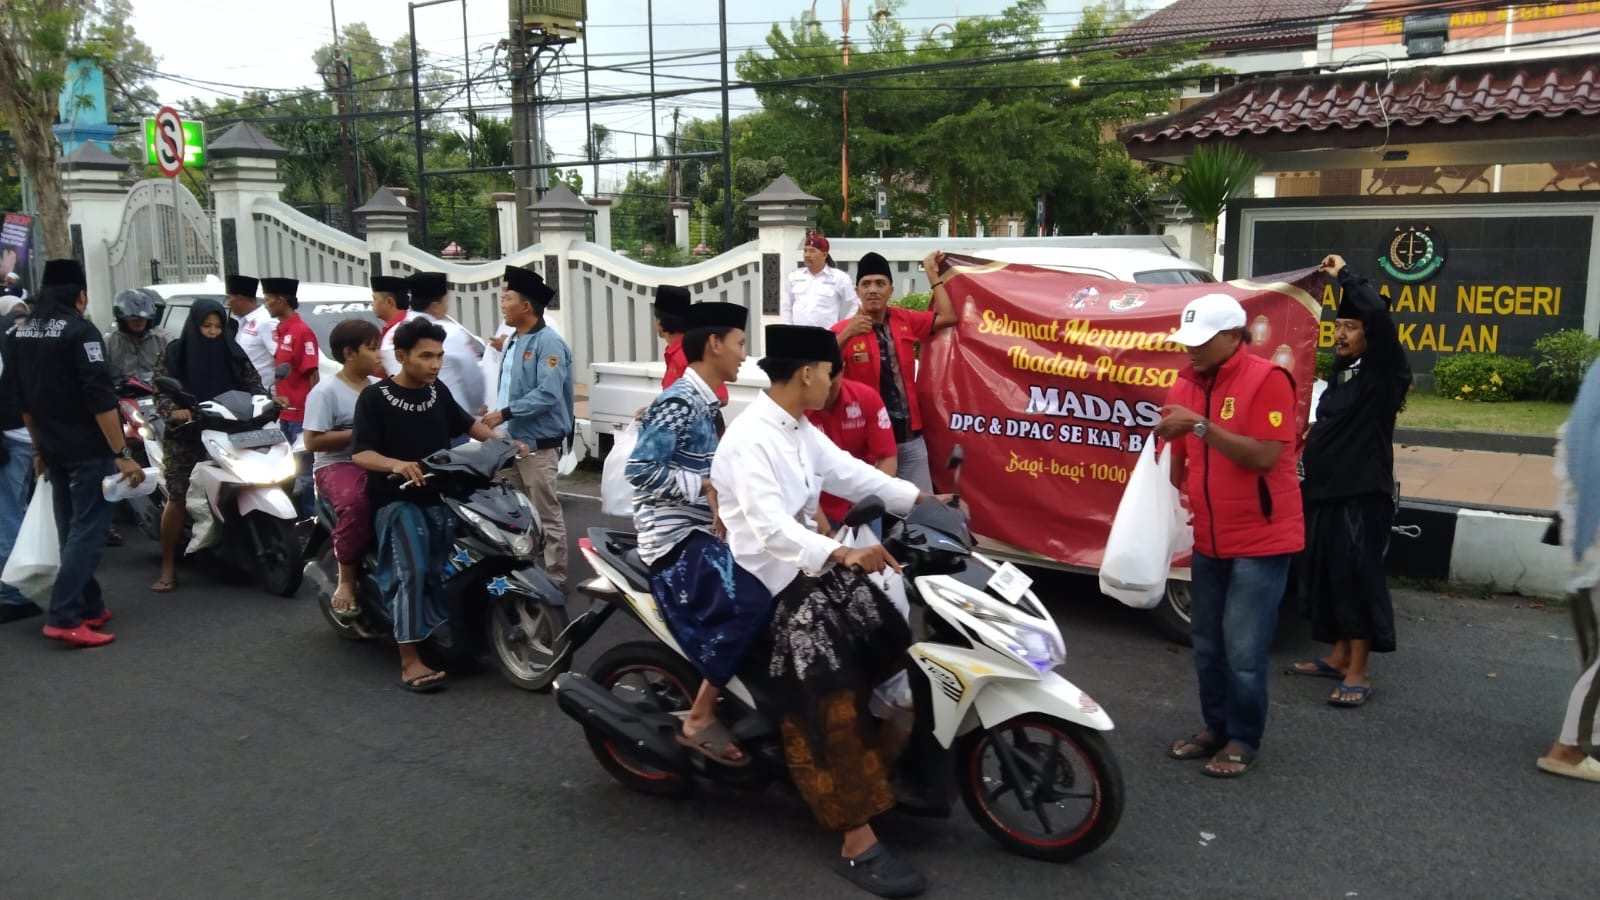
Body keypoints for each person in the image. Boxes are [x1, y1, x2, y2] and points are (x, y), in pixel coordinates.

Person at [713, 324, 946, 898]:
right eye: (831, 369)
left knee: (894, 648)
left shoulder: (799, 428)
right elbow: (769, 529)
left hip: (814, 572)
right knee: (831, 696)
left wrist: (925, 501)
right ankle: (856, 841)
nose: (836, 379)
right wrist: (842, 550)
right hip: (771, 585)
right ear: (808, 373)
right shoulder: (750, 439)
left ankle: (887, 770)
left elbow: (854, 472)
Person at [1156, 293, 1304, 779]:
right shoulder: (1185, 381)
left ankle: (1243, 738)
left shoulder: (1269, 379)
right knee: (1206, 643)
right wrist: (1178, 464)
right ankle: (1215, 728)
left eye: (1201, 342)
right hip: (1209, 538)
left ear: (1232, 336)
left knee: (1243, 649)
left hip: (1262, 540)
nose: (1191, 351)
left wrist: (1199, 426)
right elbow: (1179, 453)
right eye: (1187, 341)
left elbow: (1265, 456)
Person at [626, 300, 756, 765]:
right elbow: (640, 470)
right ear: (715, 344)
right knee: (752, 601)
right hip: (673, 539)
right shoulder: (680, 401)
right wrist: (702, 486)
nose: (745, 353)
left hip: (705, 529)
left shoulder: (707, 401)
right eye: (740, 343)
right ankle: (700, 715)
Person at [351, 317, 508, 692]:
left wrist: (502, 442)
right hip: (398, 499)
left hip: (445, 495)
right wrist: (396, 464)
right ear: (402, 356)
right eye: (426, 356)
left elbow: (469, 425)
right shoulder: (374, 398)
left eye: (439, 356)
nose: (435, 364)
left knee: (478, 558)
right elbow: (361, 453)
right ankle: (409, 660)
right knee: (415, 572)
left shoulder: (437, 392)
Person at [1289, 255, 1410, 707]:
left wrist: (1344, 275)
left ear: (1370, 335)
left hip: (1361, 495)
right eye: (1337, 326)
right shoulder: (1343, 372)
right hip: (1324, 491)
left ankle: (1359, 670)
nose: (1340, 333)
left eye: (1351, 327)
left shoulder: (1384, 369)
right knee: (1327, 574)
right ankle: (1339, 656)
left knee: (1357, 578)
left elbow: (1377, 315)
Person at [4, 259, 144, 647]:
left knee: (71, 529)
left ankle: (89, 605)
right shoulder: (81, 332)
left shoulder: (19, 333)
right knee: (89, 533)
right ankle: (64, 615)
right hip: (87, 449)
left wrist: (37, 448)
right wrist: (121, 451)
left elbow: (22, 401)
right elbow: (100, 400)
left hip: (51, 446)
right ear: (80, 295)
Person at [148, 298, 268, 592]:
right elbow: (160, 391)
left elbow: (254, 385)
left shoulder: (234, 352)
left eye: (217, 326)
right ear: (195, 325)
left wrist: (268, 401)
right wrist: (174, 412)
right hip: (187, 433)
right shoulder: (175, 353)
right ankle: (168, 566)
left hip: (231, 430)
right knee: (178, 495)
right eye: (207, 326)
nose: (213, 331)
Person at [832, 251, 957, 493]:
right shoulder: (841, 331)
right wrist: (848, 334)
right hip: (867, 445)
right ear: (857, 291)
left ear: (891, 290)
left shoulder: (904, 320)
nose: (873, 290)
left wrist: (932, 274)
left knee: (920, 513)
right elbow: (820, 368)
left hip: (910, 437)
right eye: (866, 284)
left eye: (880, 283)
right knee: (874, 514)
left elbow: (948, 316)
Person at [481, 265, 574, 585]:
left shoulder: (549, 343)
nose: (502, 304)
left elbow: (547, 393)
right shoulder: (511, 341)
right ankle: (524, 571)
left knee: (545, 513)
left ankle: (555, 578)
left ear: (526, 306)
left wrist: (504, 413)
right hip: (508, 440)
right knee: (514, 512)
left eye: (507, 298)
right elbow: (510, 385)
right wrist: (494, 410)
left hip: (537, 445)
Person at [304, 318, 381, 619]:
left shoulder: (379, 387)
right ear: (349, 353)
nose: (378, 356)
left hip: (376, 460)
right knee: (357, 502)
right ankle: (346, 581)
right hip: (338, 465)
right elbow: (313, 441)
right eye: (372, 349)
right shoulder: (326, 392)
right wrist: (358, 433)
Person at [806, 365, 898, 534]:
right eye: (822, 385)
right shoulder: (798, 410)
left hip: (863, 508)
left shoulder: (866, 398)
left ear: (843, 370)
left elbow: (887, 457)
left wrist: (870, 503)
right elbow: (800, 481)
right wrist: (827, 532)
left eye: (832, 385)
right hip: (817, 511)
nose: (826, 392)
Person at [263, 277, 319, 519]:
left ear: (280, 300)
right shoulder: (281, 330)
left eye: (267, 301)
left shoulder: (301, 332)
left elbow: (313, 374)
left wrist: (316, 415)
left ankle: (312, 524)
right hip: (285, 413)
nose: (265, 306)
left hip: (302, 416)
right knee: (287, 472)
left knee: (306, 476)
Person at [0, 303, 39, 623]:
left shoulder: (8, 338)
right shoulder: (29, 337)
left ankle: (15, 593)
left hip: (12, 438)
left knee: (8, 515)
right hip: (31, 436)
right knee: (20, 513)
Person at [408, 272, 485, 416]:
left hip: (407, 414)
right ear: (436, 305)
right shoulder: (450, 332)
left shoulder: (395, 332)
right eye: (446, 301)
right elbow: (472, 376)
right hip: (450, 416)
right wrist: (477, 406)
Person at [656, 284, 730, 407]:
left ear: (659, 321)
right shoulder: (674, 351)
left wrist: (685, 412)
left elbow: (720, 397)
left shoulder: (689, 352)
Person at [781, 232, 858, 328]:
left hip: (826, 336)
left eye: (812, 251)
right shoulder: (794, 277)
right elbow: (787, 306)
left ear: (824, 255)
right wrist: (788, 330)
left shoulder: (839, 277)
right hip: (798, 336)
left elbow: (856, 303)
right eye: (805, 251)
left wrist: (843, 327)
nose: (807, 255)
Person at [105, 288, 171, 384]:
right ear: (122, 318)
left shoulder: (163, 340)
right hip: (121, 396)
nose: (139, 321)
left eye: (143, 318)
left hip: (155, 396)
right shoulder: (109, 343)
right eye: (133, 317)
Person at [225, 274, 276, 389]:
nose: (227, 303)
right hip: (244, 392)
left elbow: (281, 359)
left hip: (265, 393)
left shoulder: (266, 321)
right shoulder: (238, 321)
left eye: (229, 298)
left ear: (240, 299)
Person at [370, 275, 416, 378]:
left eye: (374, 299)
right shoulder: (402, 324)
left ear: (389, 302)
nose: (372, 304)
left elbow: (398, 376)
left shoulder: (399, 331)